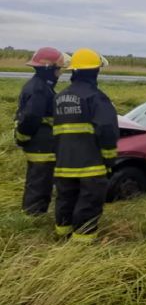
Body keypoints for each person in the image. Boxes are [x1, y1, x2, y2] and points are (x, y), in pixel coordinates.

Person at [53, 48, 118, 242]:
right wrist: (109, 160)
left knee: (65, 201)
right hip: (91, 166)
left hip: (64, 164)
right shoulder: (97, 98)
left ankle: (61, 239)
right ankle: (82, 245)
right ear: (95, 71)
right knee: (88, 205)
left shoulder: (59, 97)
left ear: (74, 71)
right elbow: (107, 131)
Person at [14, 47, 70, 215]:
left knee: (39, 181)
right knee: (39, 183)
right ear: (49, 69)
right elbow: (31, 117)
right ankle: (33, 216)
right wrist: (22, 138)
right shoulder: (39, 89)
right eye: (58, 69)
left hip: (41, 145)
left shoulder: (41, 86)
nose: (59, 73)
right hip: (40, 147)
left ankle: (34, 213)